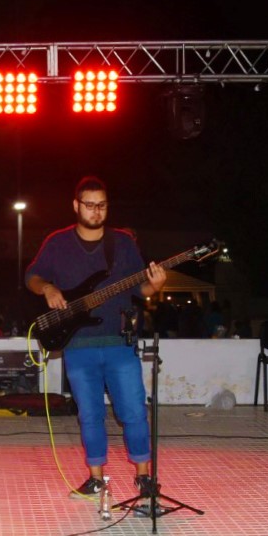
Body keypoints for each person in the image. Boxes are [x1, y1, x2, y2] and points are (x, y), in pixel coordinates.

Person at [25, 176, 166, 506]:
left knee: (134, 411)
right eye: (89, 205)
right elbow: (32, 275)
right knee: (89, 414)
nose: (96, 211)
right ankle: (95, 478)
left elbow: (139, 289)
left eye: (101, 205)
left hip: (120, 342)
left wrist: (155, 286)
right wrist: (47, 288)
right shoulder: (58, 242)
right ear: (76, 206)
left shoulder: (123, 243)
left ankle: (144, 476)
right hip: (78, 345)